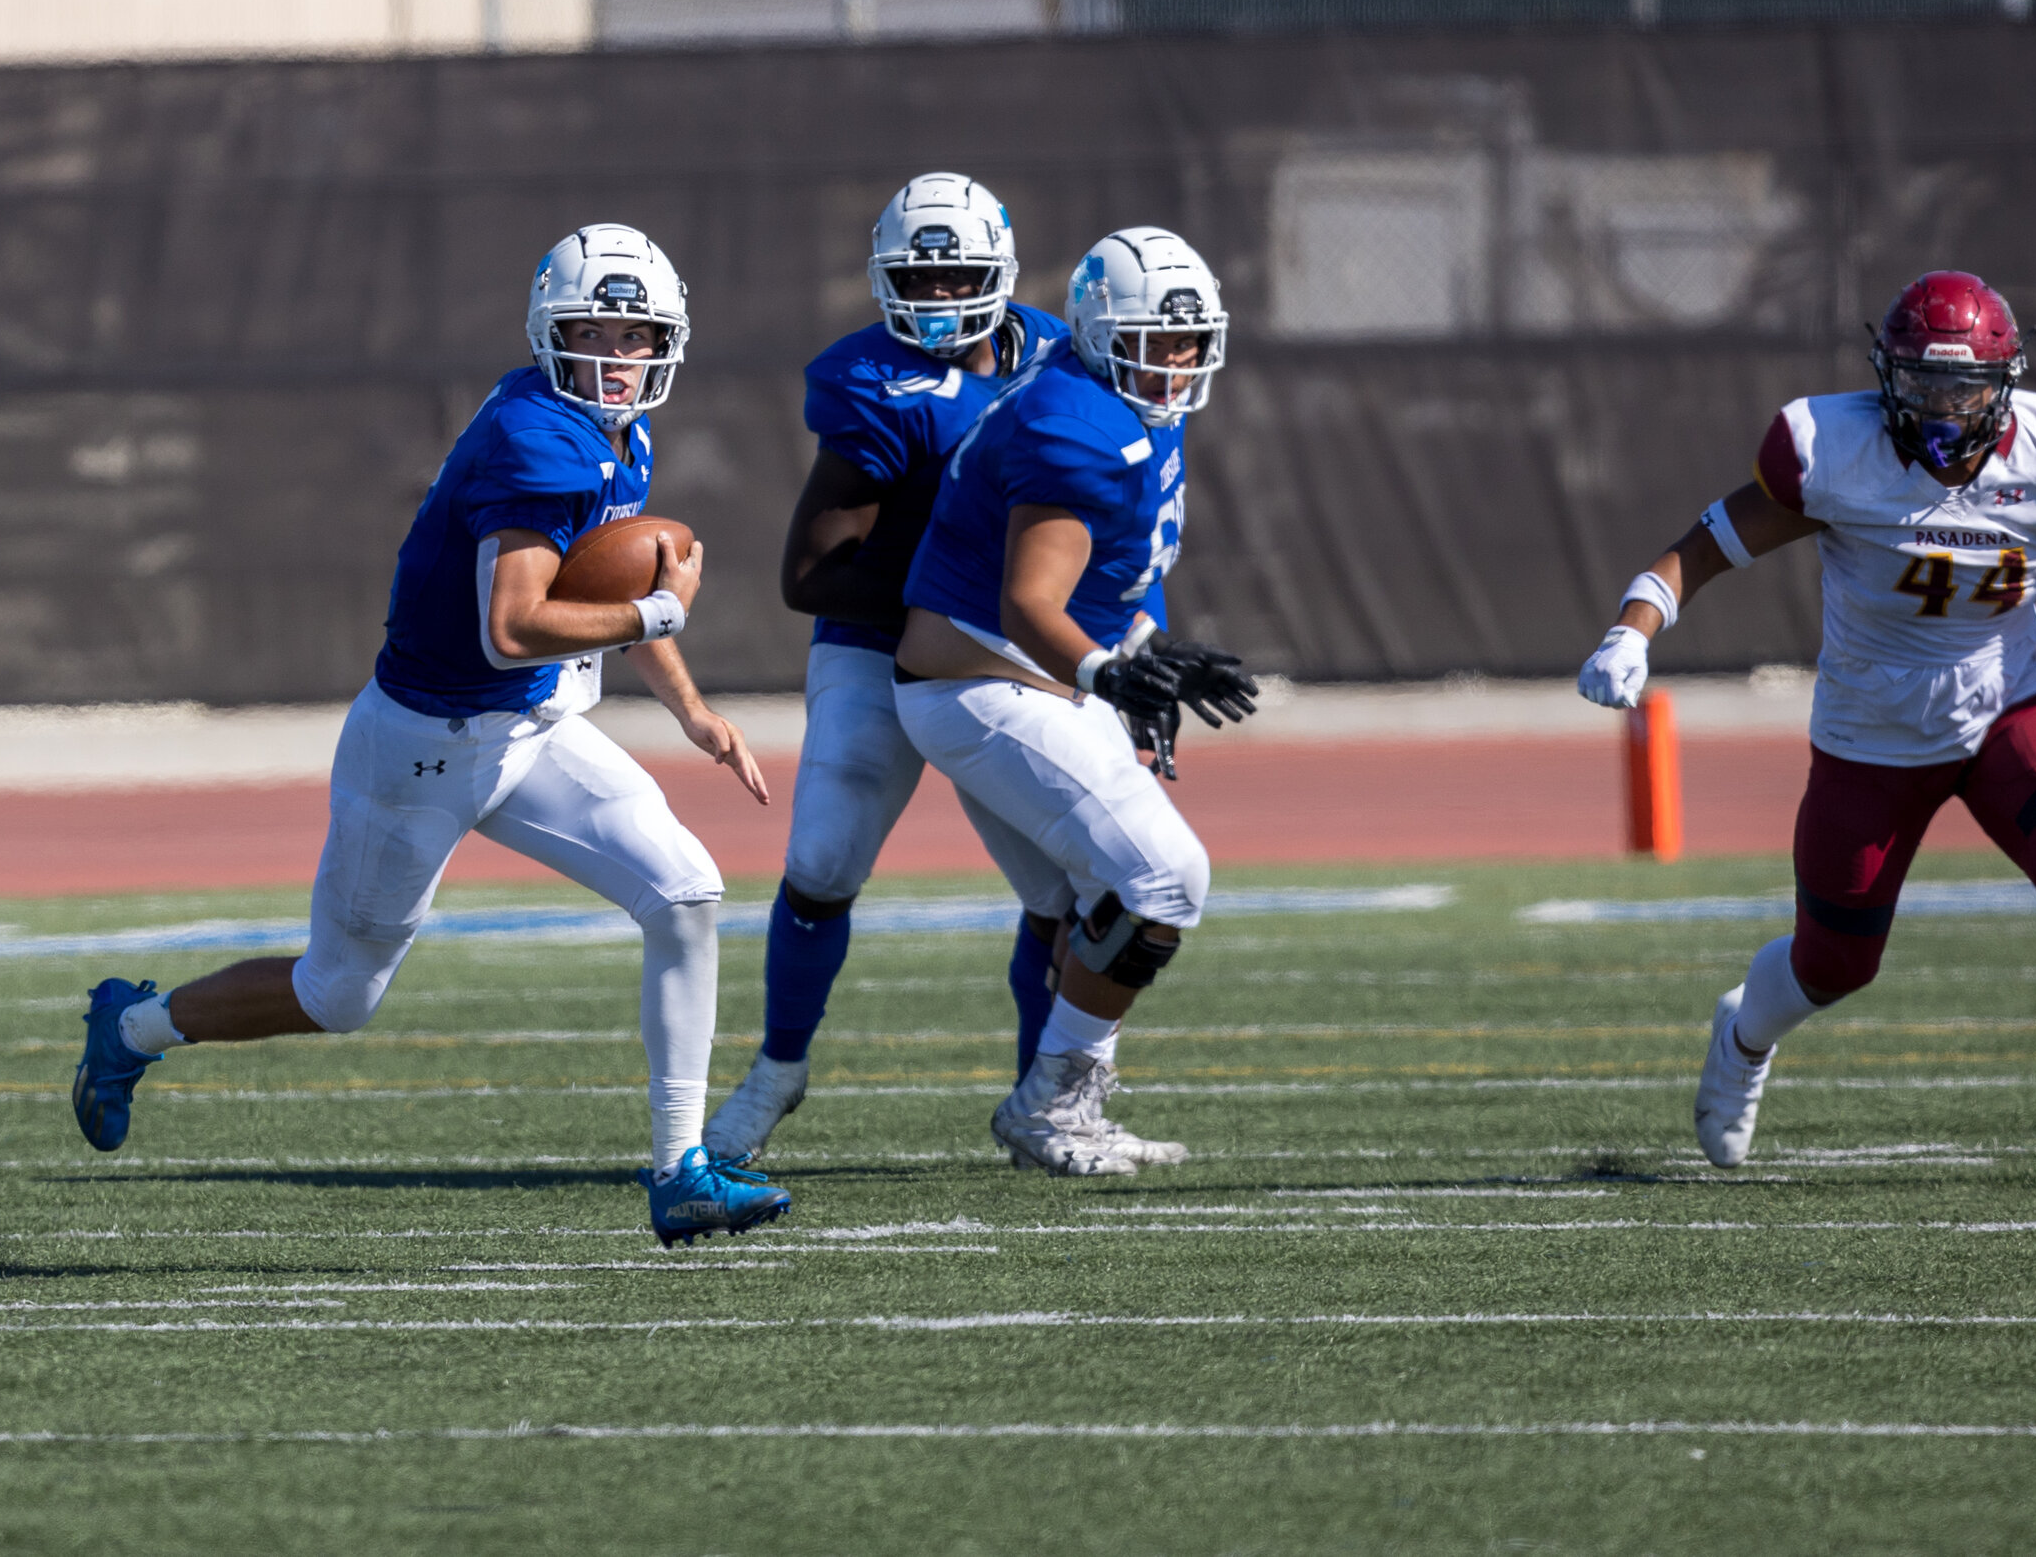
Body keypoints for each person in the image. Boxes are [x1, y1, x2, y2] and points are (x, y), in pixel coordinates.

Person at [68, 224, 795, 1246]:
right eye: (597, 329)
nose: (618, 356)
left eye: (638, 335)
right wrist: (662, 618)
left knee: (685, 892)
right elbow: (513, 625)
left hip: (533, 728)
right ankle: (132, 1026)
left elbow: (608, 584)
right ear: (554, 329)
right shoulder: (538, 436)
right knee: (338, 995)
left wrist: (688, 704)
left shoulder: (614, 434)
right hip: (426, 746)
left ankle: (679, 1168)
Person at [1575, 270, 2036, 1183]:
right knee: (1835, 963)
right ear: (1886, 374)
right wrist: (1630, 632)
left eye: (1960, 384)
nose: (1938, 402)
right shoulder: (1831, 448)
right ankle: (1744, 1033)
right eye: (1920, 379)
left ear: (2004, 384)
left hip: (2011, 703)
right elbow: (1702, 548)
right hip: (1872, 726)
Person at [700, 173, 1069, 1163]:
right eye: (921, 275)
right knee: (821, 861)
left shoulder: (1062, 360)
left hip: (1004, 651)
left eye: (960, 276)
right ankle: (780, 1065)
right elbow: (811, 574)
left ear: (999, 273)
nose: (941, 298)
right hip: (879, 642)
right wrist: (951, 603)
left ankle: (1045, 1098)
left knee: (1061, 885)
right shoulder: (875, 382)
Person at [890, 227, 1259, 1176]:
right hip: (981, 682)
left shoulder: (1109, 394)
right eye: (1155, 340)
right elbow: (1030, 601)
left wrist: (1147, 651)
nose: (1175, 362)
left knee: (1096, 895)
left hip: (1011, 676)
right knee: (1168, 877)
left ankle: (1065, 1108)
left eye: (1189, 342)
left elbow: (1108, 581)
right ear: (1101, 333)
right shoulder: (1076, 422)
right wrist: (1108, 673)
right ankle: (1051, 1104)